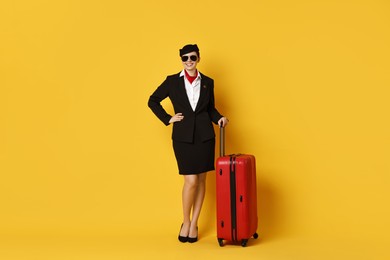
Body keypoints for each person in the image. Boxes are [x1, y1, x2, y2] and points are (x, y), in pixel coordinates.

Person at [148, 44, 228, 243]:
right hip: (183, 137)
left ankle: (194, 224)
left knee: (201, 181)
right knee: (191, 181)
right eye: (185, 58)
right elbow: (153, 100)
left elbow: (210, 109)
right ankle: (185, 221)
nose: (189, 61)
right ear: (181, 60)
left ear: (198, 58)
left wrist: (219, 118)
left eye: (192, 57)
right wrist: (168, 118)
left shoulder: (208, 82)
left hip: (205, 137)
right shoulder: (172, 81)